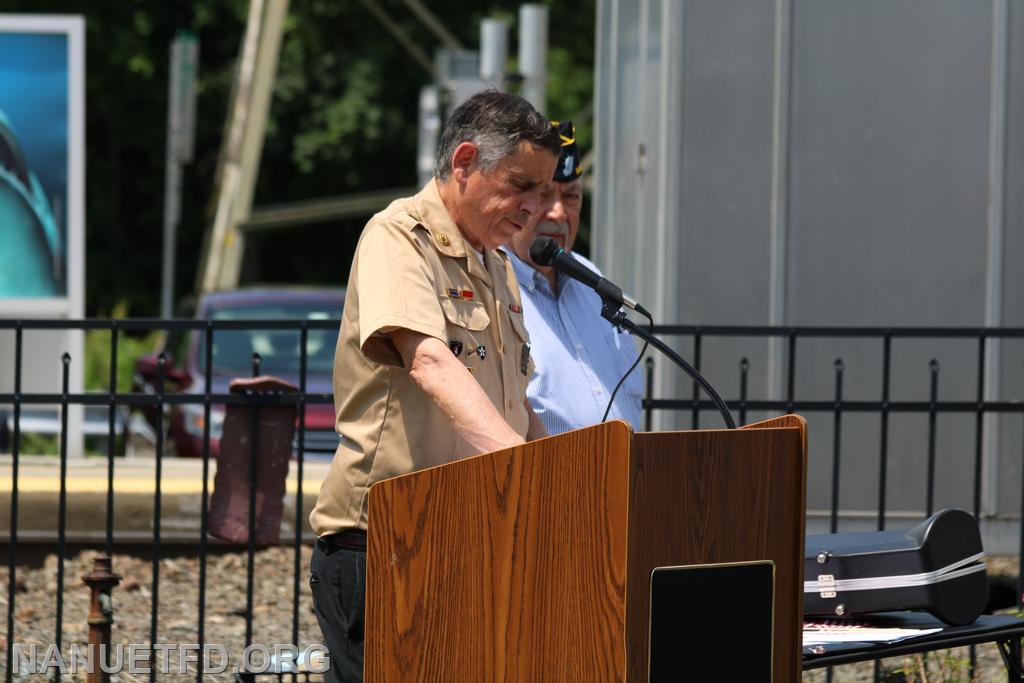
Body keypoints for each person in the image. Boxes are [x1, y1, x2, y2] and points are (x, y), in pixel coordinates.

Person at [308, 91, 560, 682]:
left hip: (464, 542)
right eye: (523, 185)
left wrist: (566, 478)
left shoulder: (497, 265)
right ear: (465, 161)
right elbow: (431, 365)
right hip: (384, 544)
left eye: (545, 192)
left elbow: (514, 404)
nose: (535, 208)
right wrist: (531, 474)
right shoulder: (398, 237)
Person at [505, 121, 644, 435]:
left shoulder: (591, 278)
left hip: (621, 474)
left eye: (571, 197)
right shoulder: (490, 280)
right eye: (544, 195)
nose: (557, 213)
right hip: (542, 477)